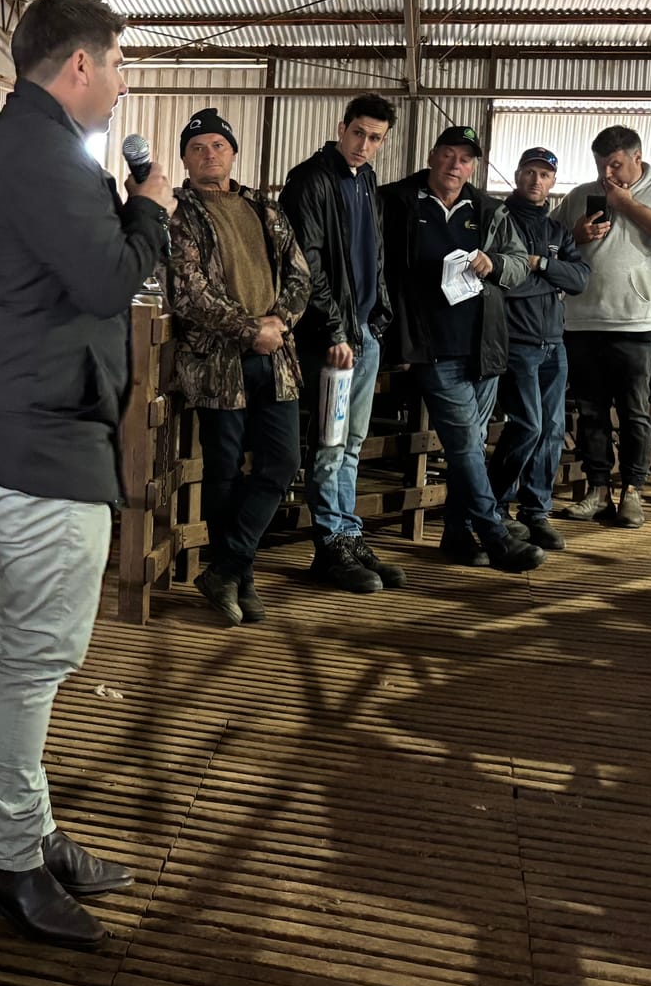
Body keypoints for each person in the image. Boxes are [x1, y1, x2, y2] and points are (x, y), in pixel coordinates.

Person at [0, 0, 172, 950]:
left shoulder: (37, 144)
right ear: (79, 63)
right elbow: (110, 278)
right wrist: (150, 210)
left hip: (45, 426)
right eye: (117, 65)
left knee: (32, 657)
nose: (120, 84)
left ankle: (29, 834)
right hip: (37, 440)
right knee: (32, 661)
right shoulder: (40, 151)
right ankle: (7, 859)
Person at [166, 108, 310, 624]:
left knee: (283, 462)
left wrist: (279, 322)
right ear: (185, 160)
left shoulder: (264, 209)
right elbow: (189, 293)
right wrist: (252, 330)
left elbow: (300, 275)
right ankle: (238, 579)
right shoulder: (177, 215)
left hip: (276, 357)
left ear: (233, 152)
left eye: (218, 146)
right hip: (217, 363)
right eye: (198, 148)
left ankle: (225, 568)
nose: (209, 154)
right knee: (224, 470)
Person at [379, 126, 541, 572]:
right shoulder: (396, 202)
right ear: (432, 156)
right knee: (467, 444)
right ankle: (494, 534)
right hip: (430, 344)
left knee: (469, 444)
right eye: (448, 155)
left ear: (473, 167)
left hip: (483, 346)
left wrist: (495, 263)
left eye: (465, 159)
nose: (455, 165)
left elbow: (518, 264)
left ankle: (456, 533)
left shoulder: (489, 209)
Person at [278, 93, 403, 594]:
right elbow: (305, 264)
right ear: (341, 128)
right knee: (330, 442)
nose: (364, 145)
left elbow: (375, 254)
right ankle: (330, 544)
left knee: (352, 442)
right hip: (332, 337)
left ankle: (349, 534)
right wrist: (334, 330)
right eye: (358, 133)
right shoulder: (309, 180)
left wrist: (378, 317)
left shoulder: (366, 180)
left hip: (364, 332)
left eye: (375, 138)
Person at [553, 126, 651, 529]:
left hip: (636, 320)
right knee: (590, 410)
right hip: (581, 319)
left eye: (615, 164)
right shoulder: (580, 195)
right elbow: (550, 237)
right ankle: (598, 489)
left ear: (638, 157)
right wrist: (575, 235)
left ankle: (632, 490)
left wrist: (627, 204)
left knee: (634, 410)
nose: (607, 174)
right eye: (601, 165)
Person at [488, 147, 590, 552]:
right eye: (530, 172)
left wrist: (542, 266)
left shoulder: (557, 231)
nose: (536, 180)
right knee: (527, 425)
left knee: (552, 430)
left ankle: (535, 512)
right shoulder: (499, 220)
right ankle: (495, 506)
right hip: (517, 341)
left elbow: (580, 279)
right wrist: (549, 280)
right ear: (517, 175)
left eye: (544, 175)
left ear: (553, 183)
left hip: (554, 343)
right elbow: (505, 282)